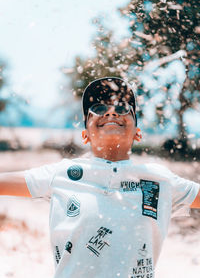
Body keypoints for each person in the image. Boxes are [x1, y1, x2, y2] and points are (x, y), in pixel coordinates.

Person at [0, 77, 200, 278]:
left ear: (137, 133)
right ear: (85, 134)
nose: (111, 112)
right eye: (98, 108)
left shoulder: (160, 179)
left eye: (122, 108)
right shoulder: (61, 174)